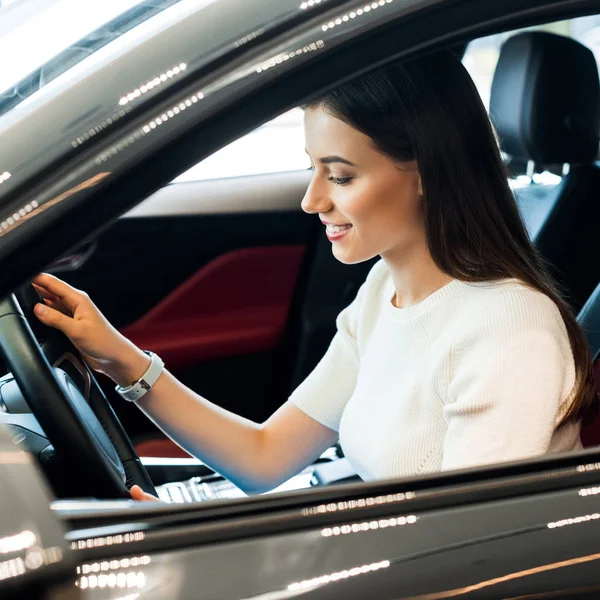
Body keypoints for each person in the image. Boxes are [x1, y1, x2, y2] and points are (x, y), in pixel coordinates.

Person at [32, 51, 597, 501]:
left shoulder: (509, 330)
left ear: (427, 172)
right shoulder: (384, 292)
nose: (312, 200)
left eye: (341, 176)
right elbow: (265, 456)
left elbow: (468, 550)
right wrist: (121, 358)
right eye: (313, 169)